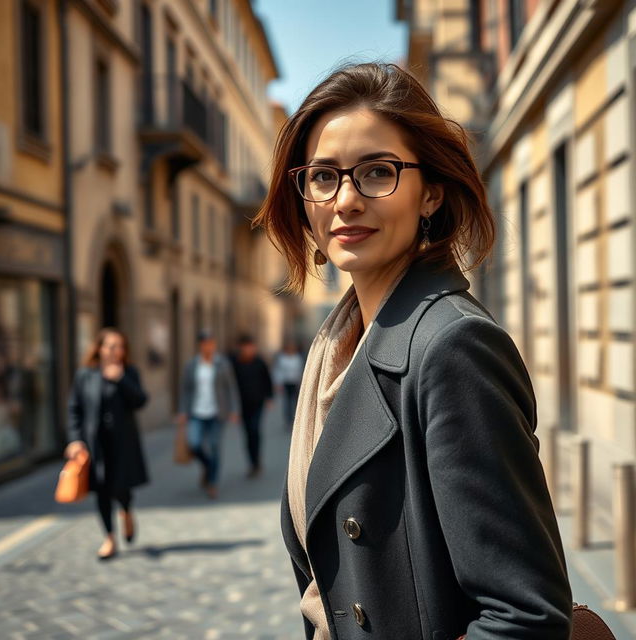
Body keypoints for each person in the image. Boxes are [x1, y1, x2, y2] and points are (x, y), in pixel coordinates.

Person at [254, 62, 572, 639]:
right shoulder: (336, 349)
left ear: (430, 194)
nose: (345, 200)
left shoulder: (452, 346)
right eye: (323, 176)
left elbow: (524, 616)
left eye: (377, 172)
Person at [65, 328, 149, 560]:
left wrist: (121, 379)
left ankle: (126, 511)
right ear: (100, 349)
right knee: (101, 491)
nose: (116, 351)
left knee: (121, 488)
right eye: (111, 346)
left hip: (122, 444)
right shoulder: (85, 375)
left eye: (120, 346)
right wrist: (74, 440)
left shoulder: (129, 372)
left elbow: (141, 400)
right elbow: (75, 409)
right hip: (96, 445)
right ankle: (109, 538)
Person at [178, 329, 240, 499]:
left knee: (214, 447)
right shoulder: (191, 365)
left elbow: (231, 387)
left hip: (217, 413)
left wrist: (234, 410)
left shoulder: (222, 364)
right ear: (200, 345)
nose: (208, 347)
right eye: (205, 344)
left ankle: (212, 482)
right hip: (196, 412)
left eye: (211, 343)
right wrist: (182, 410)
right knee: (195, 443)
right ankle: (207, 466)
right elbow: (185, 389)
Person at [229, 334, 274, 477]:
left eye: (251, 347)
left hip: (258, 403)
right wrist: (232, 408)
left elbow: (267, 380)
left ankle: (256, 462)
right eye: (246, 347)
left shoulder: (259, 362)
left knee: (254, 430)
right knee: (248, 434)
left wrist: (269, 397)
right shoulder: (235, 364)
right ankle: (252, 463)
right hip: (242, 405)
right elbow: (230, 385)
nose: (249, 350)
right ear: (241, 348)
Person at [274, 340, 304, 430]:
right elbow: (278, 371)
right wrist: (278, 383)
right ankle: (288, 420)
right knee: (287, 403)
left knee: (295, 402)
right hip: (286, 383)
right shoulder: (282, 358)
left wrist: (300, 381)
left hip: (295, 383)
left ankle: (295, 420)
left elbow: (300, 370)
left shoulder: (297, 358)